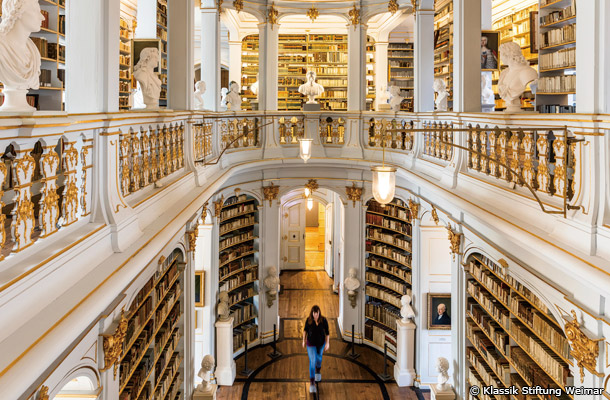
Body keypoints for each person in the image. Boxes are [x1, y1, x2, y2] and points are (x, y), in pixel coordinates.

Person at [0, 0, 45, 112]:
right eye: (36, 11)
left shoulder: (33, 51)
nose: (42, 18)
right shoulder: (2, 47)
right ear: (18, 12)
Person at [302, 305, 329, 393]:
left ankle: (318, 371)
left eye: (317, 314)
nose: (315, 315)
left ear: (319, 313)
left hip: (321, 344)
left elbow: (327, 332)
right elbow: (305, 330)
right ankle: (312, 383)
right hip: (311, 344)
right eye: (314, 313)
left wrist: (327, 343)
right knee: (312, 361)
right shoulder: (308, 320)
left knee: (319, 359)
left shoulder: (324, 320)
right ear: (312, 313)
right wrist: (303, 340)